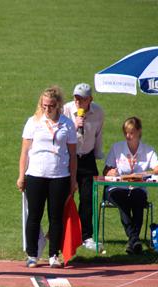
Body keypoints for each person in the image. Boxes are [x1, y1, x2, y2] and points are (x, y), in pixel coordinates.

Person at [17, 86, 78, 268]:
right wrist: (21, 176)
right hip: (36, 174)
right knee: (34, 216)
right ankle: (32, 255)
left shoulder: (67, 124)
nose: (47, 109)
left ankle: (53, 255)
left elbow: (73, 155)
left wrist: (73, 180)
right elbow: (24, 152)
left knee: (56, 217)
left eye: (50, 106)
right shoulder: (33, 122)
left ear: (58, 105)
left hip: (59, 175)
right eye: (44, 105)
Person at [103, 116, 158, 254]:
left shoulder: (148, 150)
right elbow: (105, 170)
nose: (128, 136)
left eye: (131, 132)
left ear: (139, 132)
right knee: (122, 200)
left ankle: (133, 241)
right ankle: (135, 239)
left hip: (137, 188)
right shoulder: (117, 147)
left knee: (138, 200)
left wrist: (143, 174)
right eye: (126, 133)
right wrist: (111, 171)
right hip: (117, 188)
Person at [63, 83, 104, 250]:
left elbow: (98, 134)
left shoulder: (98, 112)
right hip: (68, 157)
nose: (78, 101)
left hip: (87, 158)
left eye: (82, 98)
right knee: (65, 197)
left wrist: (98, 155)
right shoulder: (66, 110)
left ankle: (86, 236)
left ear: (90, 99)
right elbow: (61, 134)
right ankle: (63, 234)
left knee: (88, 199)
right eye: (76, 98)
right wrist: (75, 125)